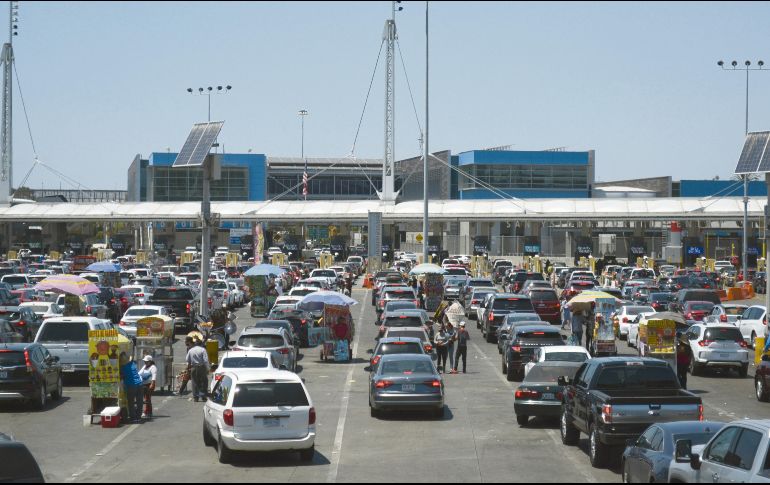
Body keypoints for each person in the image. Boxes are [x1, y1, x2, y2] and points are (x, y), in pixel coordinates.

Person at [119, 352, 144, 423]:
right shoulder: (133, 364)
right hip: (140, 383)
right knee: (139, 401)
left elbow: (122, 376)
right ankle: (139, 417)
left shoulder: (123, 368)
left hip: (131, 385)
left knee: (131, 402)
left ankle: (133, 418)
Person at [185, 336, 210, 402]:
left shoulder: (190, 350)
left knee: (194, 382)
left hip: (193, 367)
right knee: (204, 381)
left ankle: (195, 397)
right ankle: (203, 396)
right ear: (201, 344)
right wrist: (207, 369)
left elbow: (187, 360)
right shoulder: (203, 350)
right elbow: (205, 360)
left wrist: (188, 368)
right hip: (201, 367)